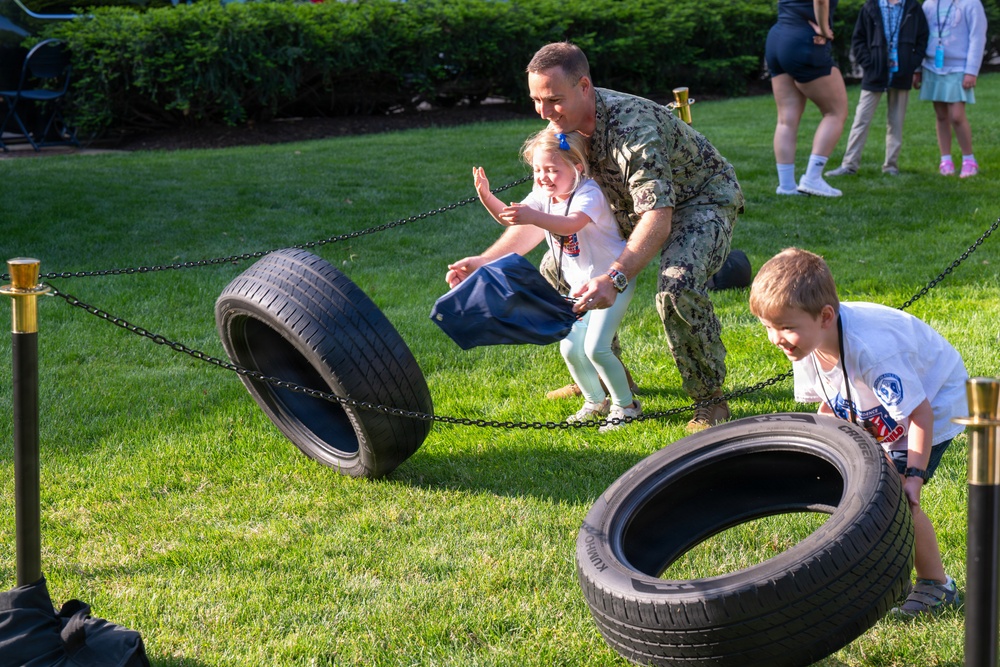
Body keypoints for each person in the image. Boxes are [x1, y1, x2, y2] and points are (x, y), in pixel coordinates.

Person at [447, 42, 745, 432]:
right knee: (556, 268)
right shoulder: (562, 131)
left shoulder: (632, 127)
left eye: (554, 99)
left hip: (699, 198)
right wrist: (484, 262)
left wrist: (616, 276)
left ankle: (710, 400)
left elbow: (658, 216)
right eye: (536, 100)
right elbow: (544, 212)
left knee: (677, 283)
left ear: (584, 86)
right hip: (624, 203)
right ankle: (606, 377)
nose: (544, 112)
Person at [748, 247, 966, 616]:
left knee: (899, 499)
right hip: (885, 407)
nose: (775, 339)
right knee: (856, 486)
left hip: (933, 403)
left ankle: (936, 585)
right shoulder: (807, 344)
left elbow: (920, 415)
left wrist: (913, 476)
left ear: (825, 316)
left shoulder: (872, 352)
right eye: (768, 327)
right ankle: (883, 572)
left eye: (785, 328)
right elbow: (829, 404)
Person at [469, 129, 641, 431]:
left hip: (612, 280)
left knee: (597, 348)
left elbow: (569, 224)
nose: (543, 177)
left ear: (575, 168)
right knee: (571, 348)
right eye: (537, 170)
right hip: (580, 287)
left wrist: (533, 217)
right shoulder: (542, 196)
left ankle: (626, 406)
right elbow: (512, 217)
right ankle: (594, 400)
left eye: (551, 170)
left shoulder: (589, 193)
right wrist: (487, 197)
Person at [825, 0, 929, 177]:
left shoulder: (913, 7)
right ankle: (849, 165)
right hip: (874, 72)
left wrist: (912, 64)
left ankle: (891, 166)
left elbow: (922, 38)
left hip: (902, 72)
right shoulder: (870, 6)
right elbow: (858, 39)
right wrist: (868, 63)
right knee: (861, 120)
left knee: (896, 122)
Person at [765, 0, 849, 196]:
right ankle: (812, 178)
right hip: (805, 39)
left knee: (786, 119)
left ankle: (786, 186)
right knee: (835, 112)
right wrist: (825, 30)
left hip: (778, 38)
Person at [916, 0, 987, 178]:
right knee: (941, 116)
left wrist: (971, 70)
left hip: (959, 68)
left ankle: (969, 160)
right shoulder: (929, 5)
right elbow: (921, 36)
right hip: (932, 67)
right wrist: (917, 69)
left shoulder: (971, 4)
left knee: (956, 116)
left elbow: (977, 37)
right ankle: (945, 159)